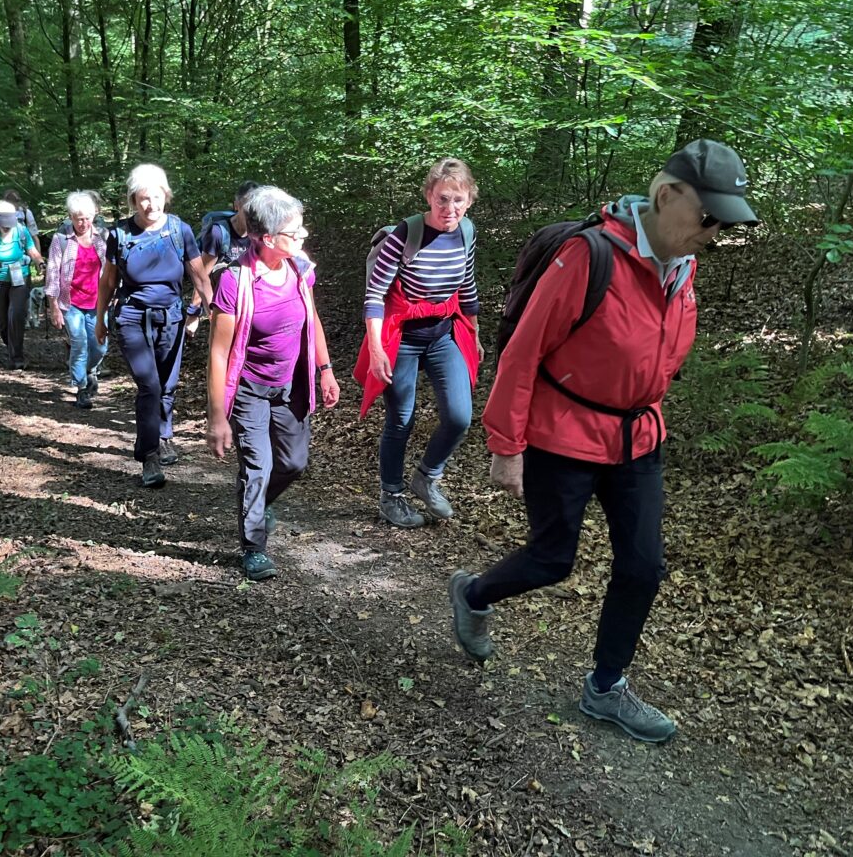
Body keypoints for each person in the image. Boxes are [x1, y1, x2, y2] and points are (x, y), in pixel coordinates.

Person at [448, 139, 760, 744]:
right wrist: (506, 445)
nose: (714, 232)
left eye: (723, 222)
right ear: (667, 195)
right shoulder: (588, 256)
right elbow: (523, 353)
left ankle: (606, 687)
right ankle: (475, 593)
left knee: (643, 565)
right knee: (552, 559)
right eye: (708, 217)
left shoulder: (682, 267)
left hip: (638, 436)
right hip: (562, 435)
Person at [206, 187, 340, 581]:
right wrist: (217, 417)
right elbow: (218, 353)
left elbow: (312, 319)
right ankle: (254, 547)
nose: (303, 237)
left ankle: (259, 505)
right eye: (294, 232)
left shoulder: (299, 268)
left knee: (294, 463)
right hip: (249, 389)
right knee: (257, 466)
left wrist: (325, 368)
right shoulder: (234, 281)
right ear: (267, 238)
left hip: (291, 385)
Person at [355, 157, 482, 529]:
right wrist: (376, 349)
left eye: (458, 200)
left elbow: (467, 286)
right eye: (442, 198)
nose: (449, 208)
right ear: (429, 195)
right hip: (403, 338)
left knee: (459, 417)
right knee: (401, 419)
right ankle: (390, 496)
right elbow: (374, 296)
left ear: (469, 200)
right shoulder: (404, 234)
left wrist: (474, 333)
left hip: (443, 333)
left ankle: (426, 477)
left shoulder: (466, 232)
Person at [94, 164, 213, 487]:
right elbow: (108, 281)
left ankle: (164, 435)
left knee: (166, 384)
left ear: (166, 196)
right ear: (134, 200)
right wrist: (100, 318)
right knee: (150, 385)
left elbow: (200, 276)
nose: (151, 205)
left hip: (170, 317)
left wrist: (212, 311)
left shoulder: (179, 230)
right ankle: (149, 456)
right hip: (132, 317)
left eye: (157, 197)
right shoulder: (120, 234)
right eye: (144, 198)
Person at [45, 191, 109, 409]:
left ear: (94, 216)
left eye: (87, 218)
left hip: (98, 302)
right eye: (78, 219)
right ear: (70, 217)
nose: (83, 223)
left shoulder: (103, 238)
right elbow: (53, 272)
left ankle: (90, 371)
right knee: (79, 343)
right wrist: (54, 306)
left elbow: (113, 268)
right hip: (70, 302)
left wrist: (115, 292)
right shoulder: (61, 240)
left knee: (99, 346)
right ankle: (81, 388)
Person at [0, 200, 45, 369]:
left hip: (20, 277)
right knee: (3, 320)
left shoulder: (21, 230)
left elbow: (32, 250)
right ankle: (12, 346)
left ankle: (17, 357)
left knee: (16, 314)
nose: (7, 227)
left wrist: (40, 263)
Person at [185, 180, 260, 322]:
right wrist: (194, 312)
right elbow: (203, 274)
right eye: (248, 208)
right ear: (237, 205)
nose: (252, 215)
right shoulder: (218, 233)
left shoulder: (260, 233)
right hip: (223, 300)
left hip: (251, 299)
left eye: (256, 210)